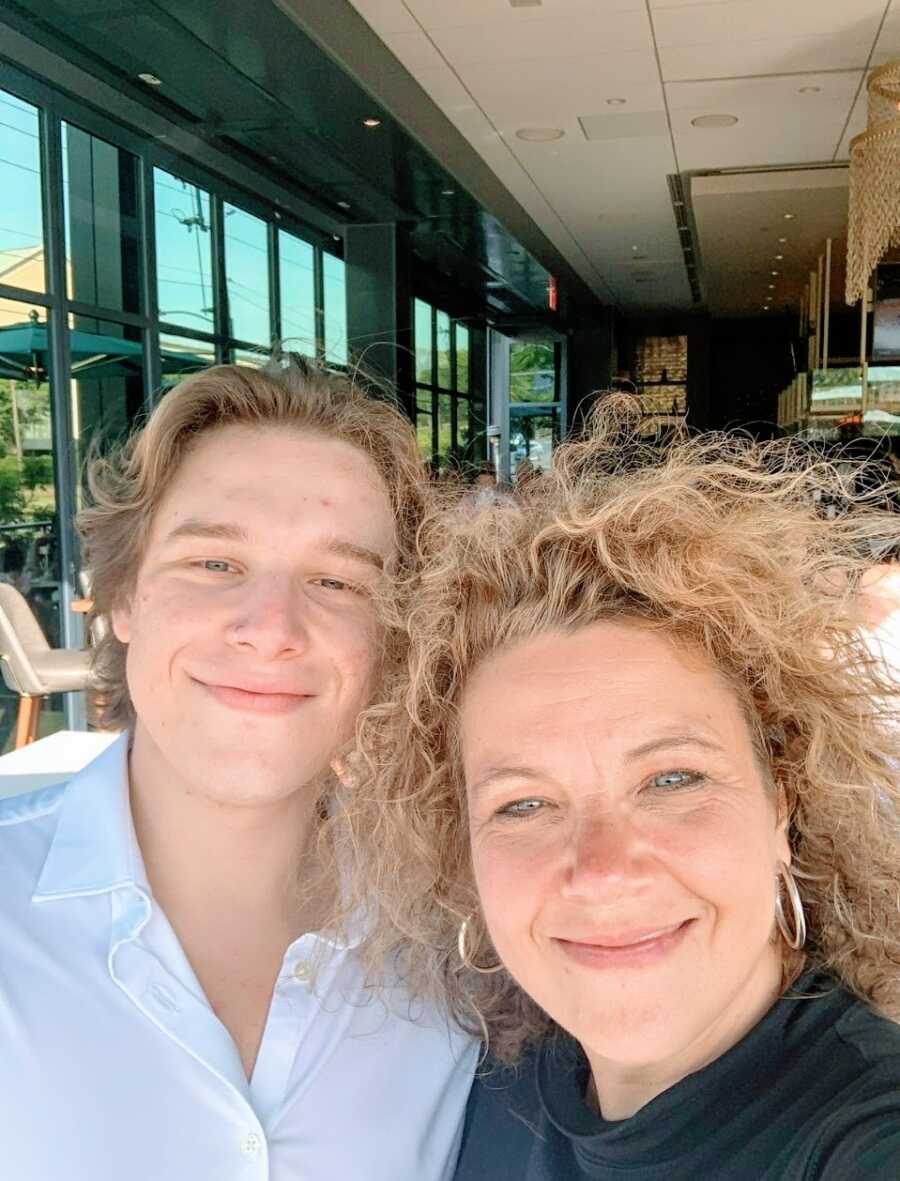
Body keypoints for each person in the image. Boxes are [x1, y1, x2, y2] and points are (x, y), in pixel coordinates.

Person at [344, 406, 900, 1180]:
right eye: (524, 803)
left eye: (671, 779)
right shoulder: (490, 1094)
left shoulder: (867, 1135)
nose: (603, 870)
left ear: (785, 798)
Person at [0, 356, 476, 1180]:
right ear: (122, 596)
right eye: (215, 563)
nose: (271, 627)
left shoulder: (464, 944)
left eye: (336, 579)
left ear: (392, 639)